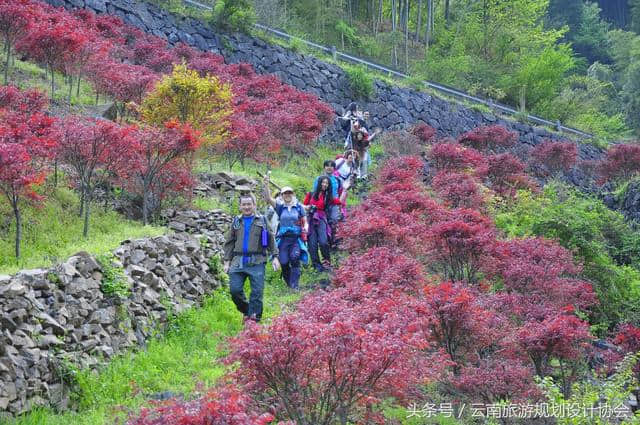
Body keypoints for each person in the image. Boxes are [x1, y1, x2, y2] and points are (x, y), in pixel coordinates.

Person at [223, 193, 280, 323]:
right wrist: (227, 261)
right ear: (240, 206)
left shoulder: (262, 220)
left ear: (254, 205)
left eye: (249, 204)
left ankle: (253, 322)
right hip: (238, 262)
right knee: (235, 290)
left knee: (257, 293)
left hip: (257, 261)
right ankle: (248, 310)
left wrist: (275, 257)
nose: (247, 207)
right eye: (244, 204)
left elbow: (271, 239)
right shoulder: (236, 221)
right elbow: (229, 242)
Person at [262, 178, 309, 290]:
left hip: (296, 238)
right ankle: (289, 283)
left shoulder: (299, 207)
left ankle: (295, 286)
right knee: (283, 261)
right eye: (285, 193)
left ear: (292, 194)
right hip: (283, 239)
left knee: (295, 257)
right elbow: (268, 198)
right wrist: (266, 184)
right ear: (282, 195)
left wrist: (306, 228)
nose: (287, 195)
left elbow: (305, 221)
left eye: (289, 193)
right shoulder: (280, 207)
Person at [303, 176, 333, 272]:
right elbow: (303, 206)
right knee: (312, 244)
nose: (324, 185)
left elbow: (338, 201)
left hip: (321, 219)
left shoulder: (328, 196)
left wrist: (345, 190)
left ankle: (326, 261)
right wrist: (308, 207)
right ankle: (316, 265)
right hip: (310, 219)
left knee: (323, 241)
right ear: (319, 183)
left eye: (326, 183)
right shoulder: (310, 194)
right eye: (323, 182)